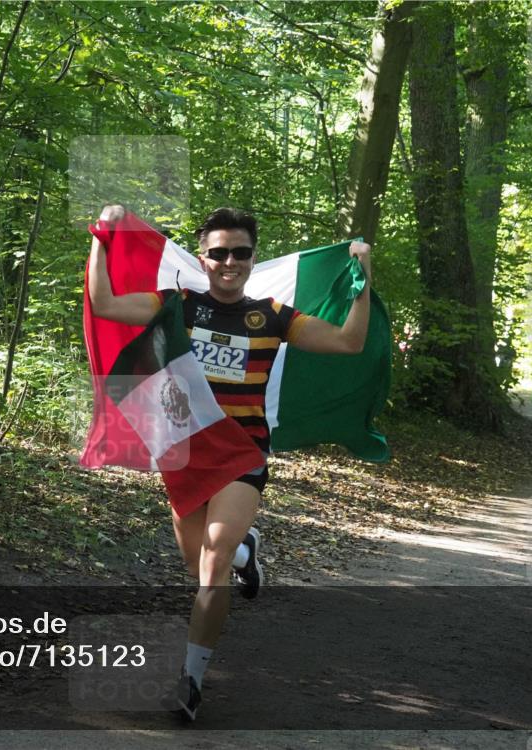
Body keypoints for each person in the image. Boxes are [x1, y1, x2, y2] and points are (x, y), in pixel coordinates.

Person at [87, 205, 372, 720]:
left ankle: (191, 681)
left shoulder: (274, 315)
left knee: (212, 566)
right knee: (198, 566)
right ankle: (247, 552)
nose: (229, 261)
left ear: (252, 258)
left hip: (243, 451)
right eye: (219, 253)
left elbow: (349, 342)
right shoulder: (176, 306)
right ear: (204, 257)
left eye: (240, 252)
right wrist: (102, 237)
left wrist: (363, 279)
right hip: (187, 451)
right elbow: (104, 303)